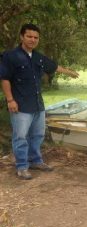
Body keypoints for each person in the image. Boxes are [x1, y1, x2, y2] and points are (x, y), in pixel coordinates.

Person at [0, 23, 79, 180]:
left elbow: (54, 66)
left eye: (36, 37)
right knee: (20, 137)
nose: (33, 40)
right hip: (20, 105)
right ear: (22, 36)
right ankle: (22, 166)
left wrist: (69, 72)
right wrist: (10, 100)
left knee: (37, 135)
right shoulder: (10, 56)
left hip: (38, 105)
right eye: (29, 36)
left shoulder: (38, 57)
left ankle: (36, 161)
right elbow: (5, 79)